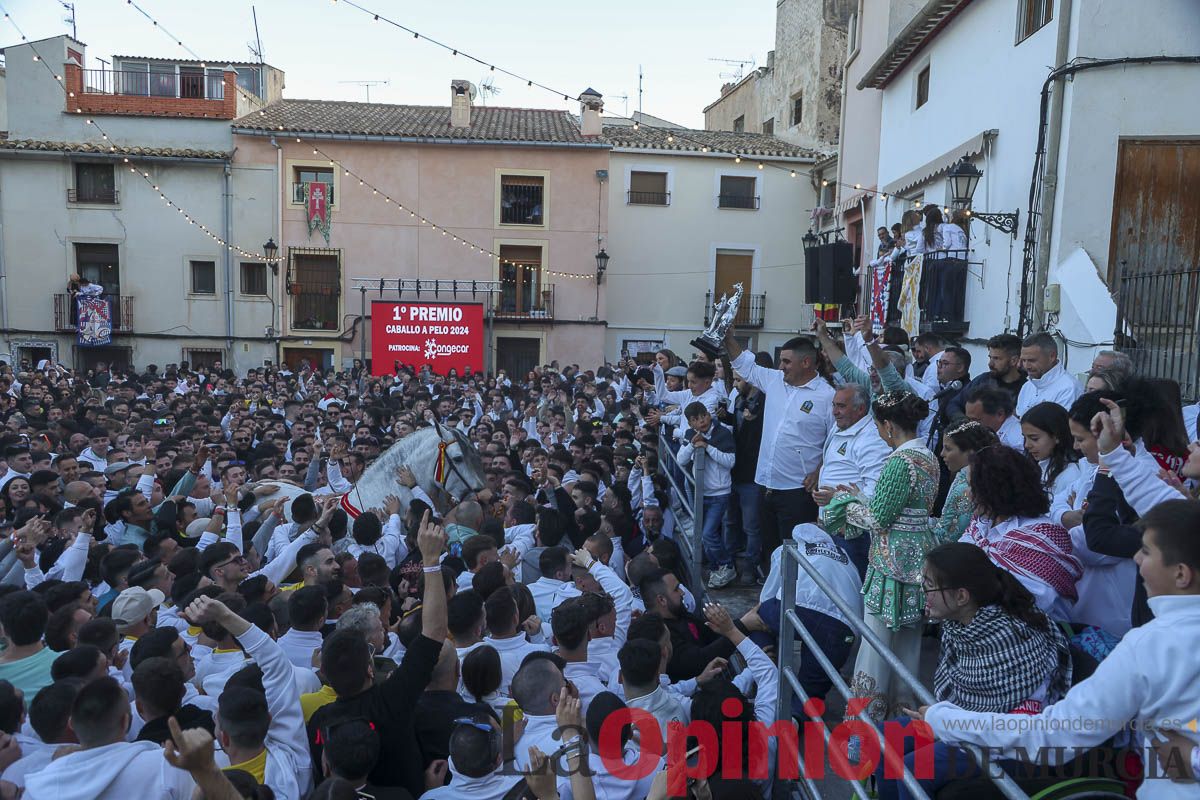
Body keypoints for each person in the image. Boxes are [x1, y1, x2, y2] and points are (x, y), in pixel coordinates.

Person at [919, 499, 1200, 800]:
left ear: (1181, 574)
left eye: (1146, 551)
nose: (1136, 559)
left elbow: (1054, 734)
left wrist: (945, 720)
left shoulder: (1149, 647)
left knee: (919, 768)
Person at [872, 542, 1072, 800]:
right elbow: (967, 702)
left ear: (962, 597)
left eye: (930, 586)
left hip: (1008, 745)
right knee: (884, 738)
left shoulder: (1013, 636)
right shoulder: (961, 626)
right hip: (966, 725)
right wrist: (943, 718)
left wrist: (944, 720)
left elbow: (1009, 722)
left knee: (914, 768)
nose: (924, 594)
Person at [309, 512, 448, 798]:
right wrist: (431, 562)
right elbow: (434, 632)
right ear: (370, 669)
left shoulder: (320, 722)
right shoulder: (393, 699)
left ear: (325, 675)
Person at [823, 390, 937, 724]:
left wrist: (842, 506)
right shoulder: (928, 457)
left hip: (891, 563)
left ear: (887, 425)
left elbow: (878, 519)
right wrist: (857, 495)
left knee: (875, 649)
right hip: (919, 561)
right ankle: (903, 720)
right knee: (908, 648)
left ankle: (863, 730)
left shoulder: (899, 462)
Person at [725, 328, 833, 571]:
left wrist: (819, 470)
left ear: (806, 362)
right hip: (765, 485)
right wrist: (728, 338)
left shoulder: (827, 396)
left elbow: (834, 441)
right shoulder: (774, 380)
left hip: (798, 491)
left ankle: (794, 605)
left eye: (786, 361)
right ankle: (773, 601)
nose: (781, 366)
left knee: (796, 556)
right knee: (771, 552)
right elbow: (744, 365)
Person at [960, 445, 1081, 621]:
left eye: (972, 487)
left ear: (993, 490)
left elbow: (1037, 601)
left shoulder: (1043, 535)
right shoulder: (980, 525)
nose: (968, 494)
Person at [812, 383, 891, 579]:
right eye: (834, 405)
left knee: (852, 589)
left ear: (861, 409)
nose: (835, 412)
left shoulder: (871, 439)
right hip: (832, 528)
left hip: (853, 535)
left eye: (841, 406)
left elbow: (875, 493)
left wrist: (836, 498)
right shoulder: (839, 427)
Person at [675, 401, 737, 589]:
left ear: (709, 415)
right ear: (690, 423)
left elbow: (730, 461)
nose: (701, 421)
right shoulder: (689, 435)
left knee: (709, 533)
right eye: (695, 419)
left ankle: (726, 565)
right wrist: (693, 445)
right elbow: (680, 459)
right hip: (700, 492)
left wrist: (708, 447)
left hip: (720, 492)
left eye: (703, 416)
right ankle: (717, 566)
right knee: (703, 534)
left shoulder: (723, 433)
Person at [933, 420, 998, 545]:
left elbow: (949, 537)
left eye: (948, 449)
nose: (942, 454)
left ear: (970, 452)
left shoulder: (966, 487)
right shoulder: (965, 477)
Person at [1020, 401, 1082, 507]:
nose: (1027, 445)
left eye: (1034, 438)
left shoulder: (1071, 474)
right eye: (1024, 438)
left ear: (1056, 436)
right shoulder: (1034, 467)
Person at [1015, 333, 1081, 418]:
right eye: (1024, 360)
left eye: (1032, 360)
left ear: (1052, 356)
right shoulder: (1027, 387)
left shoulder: (1069, 388)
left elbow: (1062, 428)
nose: (1027, 366)